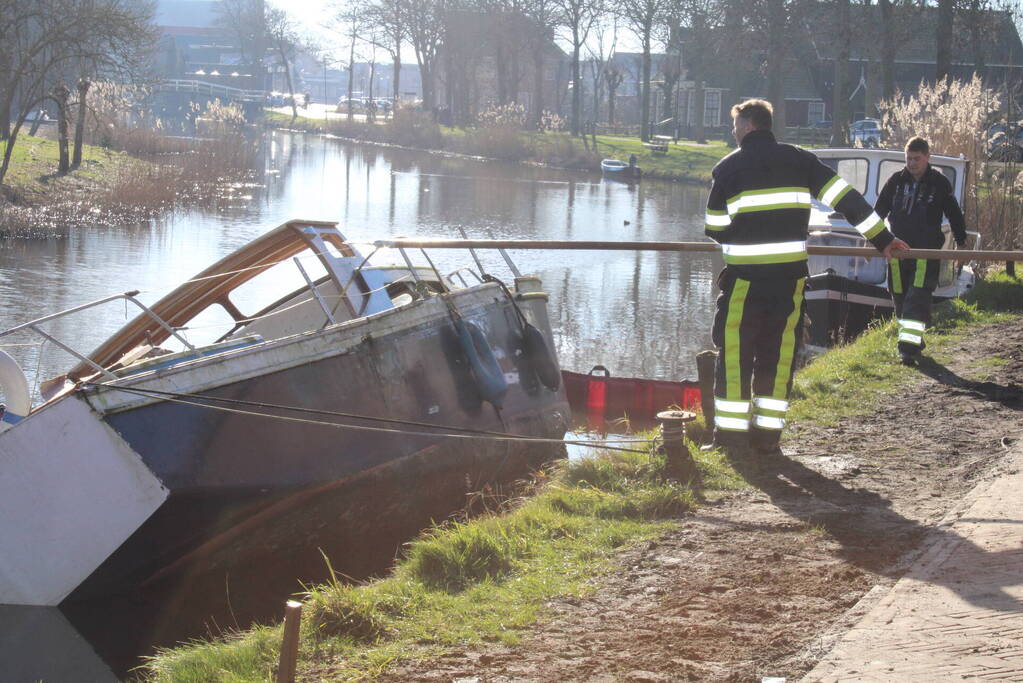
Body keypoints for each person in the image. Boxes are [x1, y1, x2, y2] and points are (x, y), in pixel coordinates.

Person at [704, 99, 908, 458]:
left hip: (745, 282)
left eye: (735, 125)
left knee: (735, 354)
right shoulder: (801, 160)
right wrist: (884, 239)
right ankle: (768, 438)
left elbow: (715, 227)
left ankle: (732, 440)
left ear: (749, 126)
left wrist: (744, 232)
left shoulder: (728, 168)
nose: (733, 132)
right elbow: (848, 199)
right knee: (779, 355)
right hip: (790, 281)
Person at [874, 136, 967, 366]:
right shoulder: (895, 181)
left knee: (916, 301)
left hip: (926, 253)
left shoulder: (940, 183)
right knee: (900, 300)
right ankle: (915, 341)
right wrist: (874, 240)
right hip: (897, 254)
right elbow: (878, 212)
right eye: (908, 159)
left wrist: (961, 242)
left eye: (917, 159)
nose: (912, 163)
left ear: (927, 157)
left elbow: (954, 214)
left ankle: (906, 350)